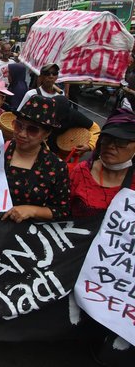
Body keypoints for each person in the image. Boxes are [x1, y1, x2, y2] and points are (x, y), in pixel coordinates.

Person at [69, 109, 135, 366]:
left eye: (121, 142)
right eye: (107, 140)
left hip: (118, 277)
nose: (111, 147)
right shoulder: (79, 172)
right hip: (75, 265)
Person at [0, 95, 70, 223]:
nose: (22, 134)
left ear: (47, 133)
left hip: (26, 235)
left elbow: (61, 210)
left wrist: (31, 210)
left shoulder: (56, 166)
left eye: (32, 130)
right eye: (19, 125)